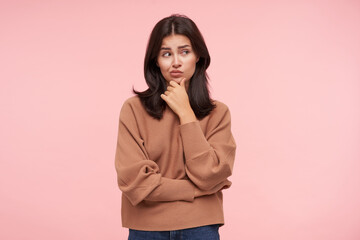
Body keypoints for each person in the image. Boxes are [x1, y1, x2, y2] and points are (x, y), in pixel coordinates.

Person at [114, 14, 236, 240]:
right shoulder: (133, 110)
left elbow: (210, 175)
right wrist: (196, 191)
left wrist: (186, 113)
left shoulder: (219, 113)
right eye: (166, 54)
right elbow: (134, 182)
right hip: (145, 230)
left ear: (198, 56)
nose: (176, 62)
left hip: (202, 228)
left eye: (184, 51)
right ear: (156, 61)